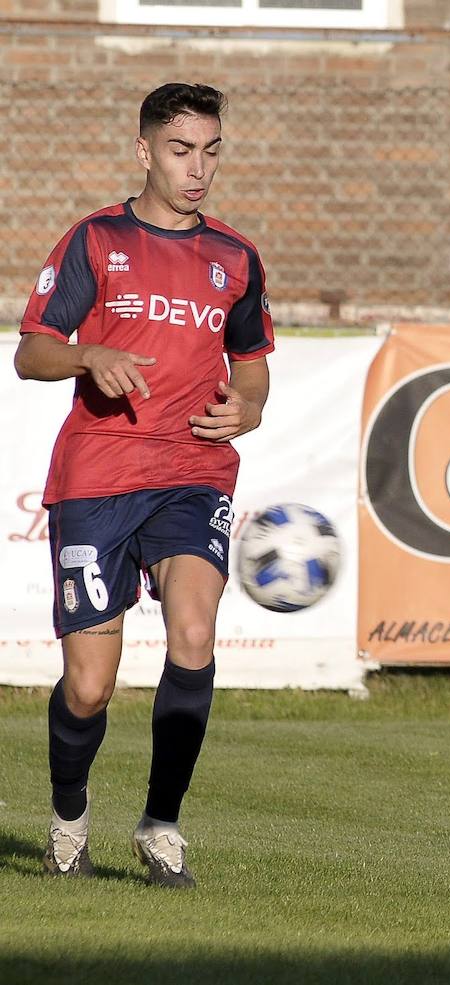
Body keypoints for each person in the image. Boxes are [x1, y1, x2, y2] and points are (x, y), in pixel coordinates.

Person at [14, 82, 274, 888]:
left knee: (194, 634)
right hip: (99, 475)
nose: (197, 169)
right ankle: (68, 819)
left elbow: (253, 371)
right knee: (89, 687)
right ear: (144, 151)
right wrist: (88, 355)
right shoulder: (96, 241)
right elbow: (32, 350)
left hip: (193, 471)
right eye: (180, 150)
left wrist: (249, 411)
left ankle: (161, 824)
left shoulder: (235, 256)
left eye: (211, 151)